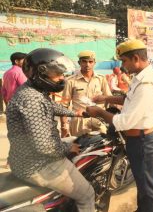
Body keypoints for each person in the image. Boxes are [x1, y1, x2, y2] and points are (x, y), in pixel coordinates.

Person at [6, 48, 95, 212]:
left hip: (25, 157)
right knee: (87, 194)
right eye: (58, 74)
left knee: (73, 141)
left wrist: (75, 113)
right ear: (41, 73)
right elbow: (44, 146)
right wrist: (69, 148)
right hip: (39, 164)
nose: (62, 78)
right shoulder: (31, 99)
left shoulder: (32, 90)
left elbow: (49, 105)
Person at [86, 39, 153, 212]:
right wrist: (106, 98)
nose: (122, 65)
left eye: (124, 61)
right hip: (138, 138)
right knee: (142, 182)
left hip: (142, 140)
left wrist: (99, 112)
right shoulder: (140, 77)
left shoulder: (146, 83)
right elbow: (129, 100)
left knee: (148, 187)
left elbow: (126, 121)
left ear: (136, 58)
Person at [60, 50, 112, 137]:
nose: (87, 65)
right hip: (80, 121)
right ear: (79, 63)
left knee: (104, 147)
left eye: (90, 62)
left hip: (99, 120)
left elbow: (109, 98)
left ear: (94, 63)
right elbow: (64, 105)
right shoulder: (71, 81)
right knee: (80, 148)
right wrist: (63, 126)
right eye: (84, 61)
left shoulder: (101, 79)